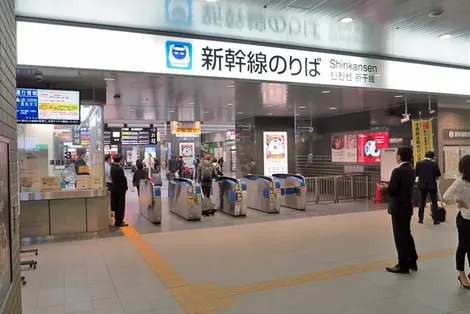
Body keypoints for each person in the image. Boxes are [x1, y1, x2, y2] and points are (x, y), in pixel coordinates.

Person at [385, 147, 418, 274]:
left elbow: (392, 190)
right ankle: (412, 261)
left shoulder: (397, 171)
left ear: (399, 157)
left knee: (399, 236)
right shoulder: (412, 170)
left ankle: (402, 264)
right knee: (407, 234)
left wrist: (384, 189)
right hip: (407, 207)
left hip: (397, 207)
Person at [443, 155, 470, 289]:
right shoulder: (460, 182)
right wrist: (458, 201)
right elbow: (446, 197)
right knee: (463, 247)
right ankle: (461, 274)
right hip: (465, 219)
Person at [415, 151, 442, 224]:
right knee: (434, 202)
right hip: (432, 185)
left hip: (422, 185)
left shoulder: (419, 163)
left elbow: (416, 173)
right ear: (432, 157)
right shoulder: (434, 164)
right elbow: (438, 174)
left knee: (422, 202)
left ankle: (420, 219)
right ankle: (436, 220)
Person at [110, 154, 128, 227]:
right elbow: (123, 179)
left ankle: (117, 220)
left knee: (117, 205)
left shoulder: (112, 167)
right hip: (120, 190)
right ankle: (119, 221)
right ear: (120, 160)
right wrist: (125, 187)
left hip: (114, 188)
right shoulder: (119, 169)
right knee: (120, 205)